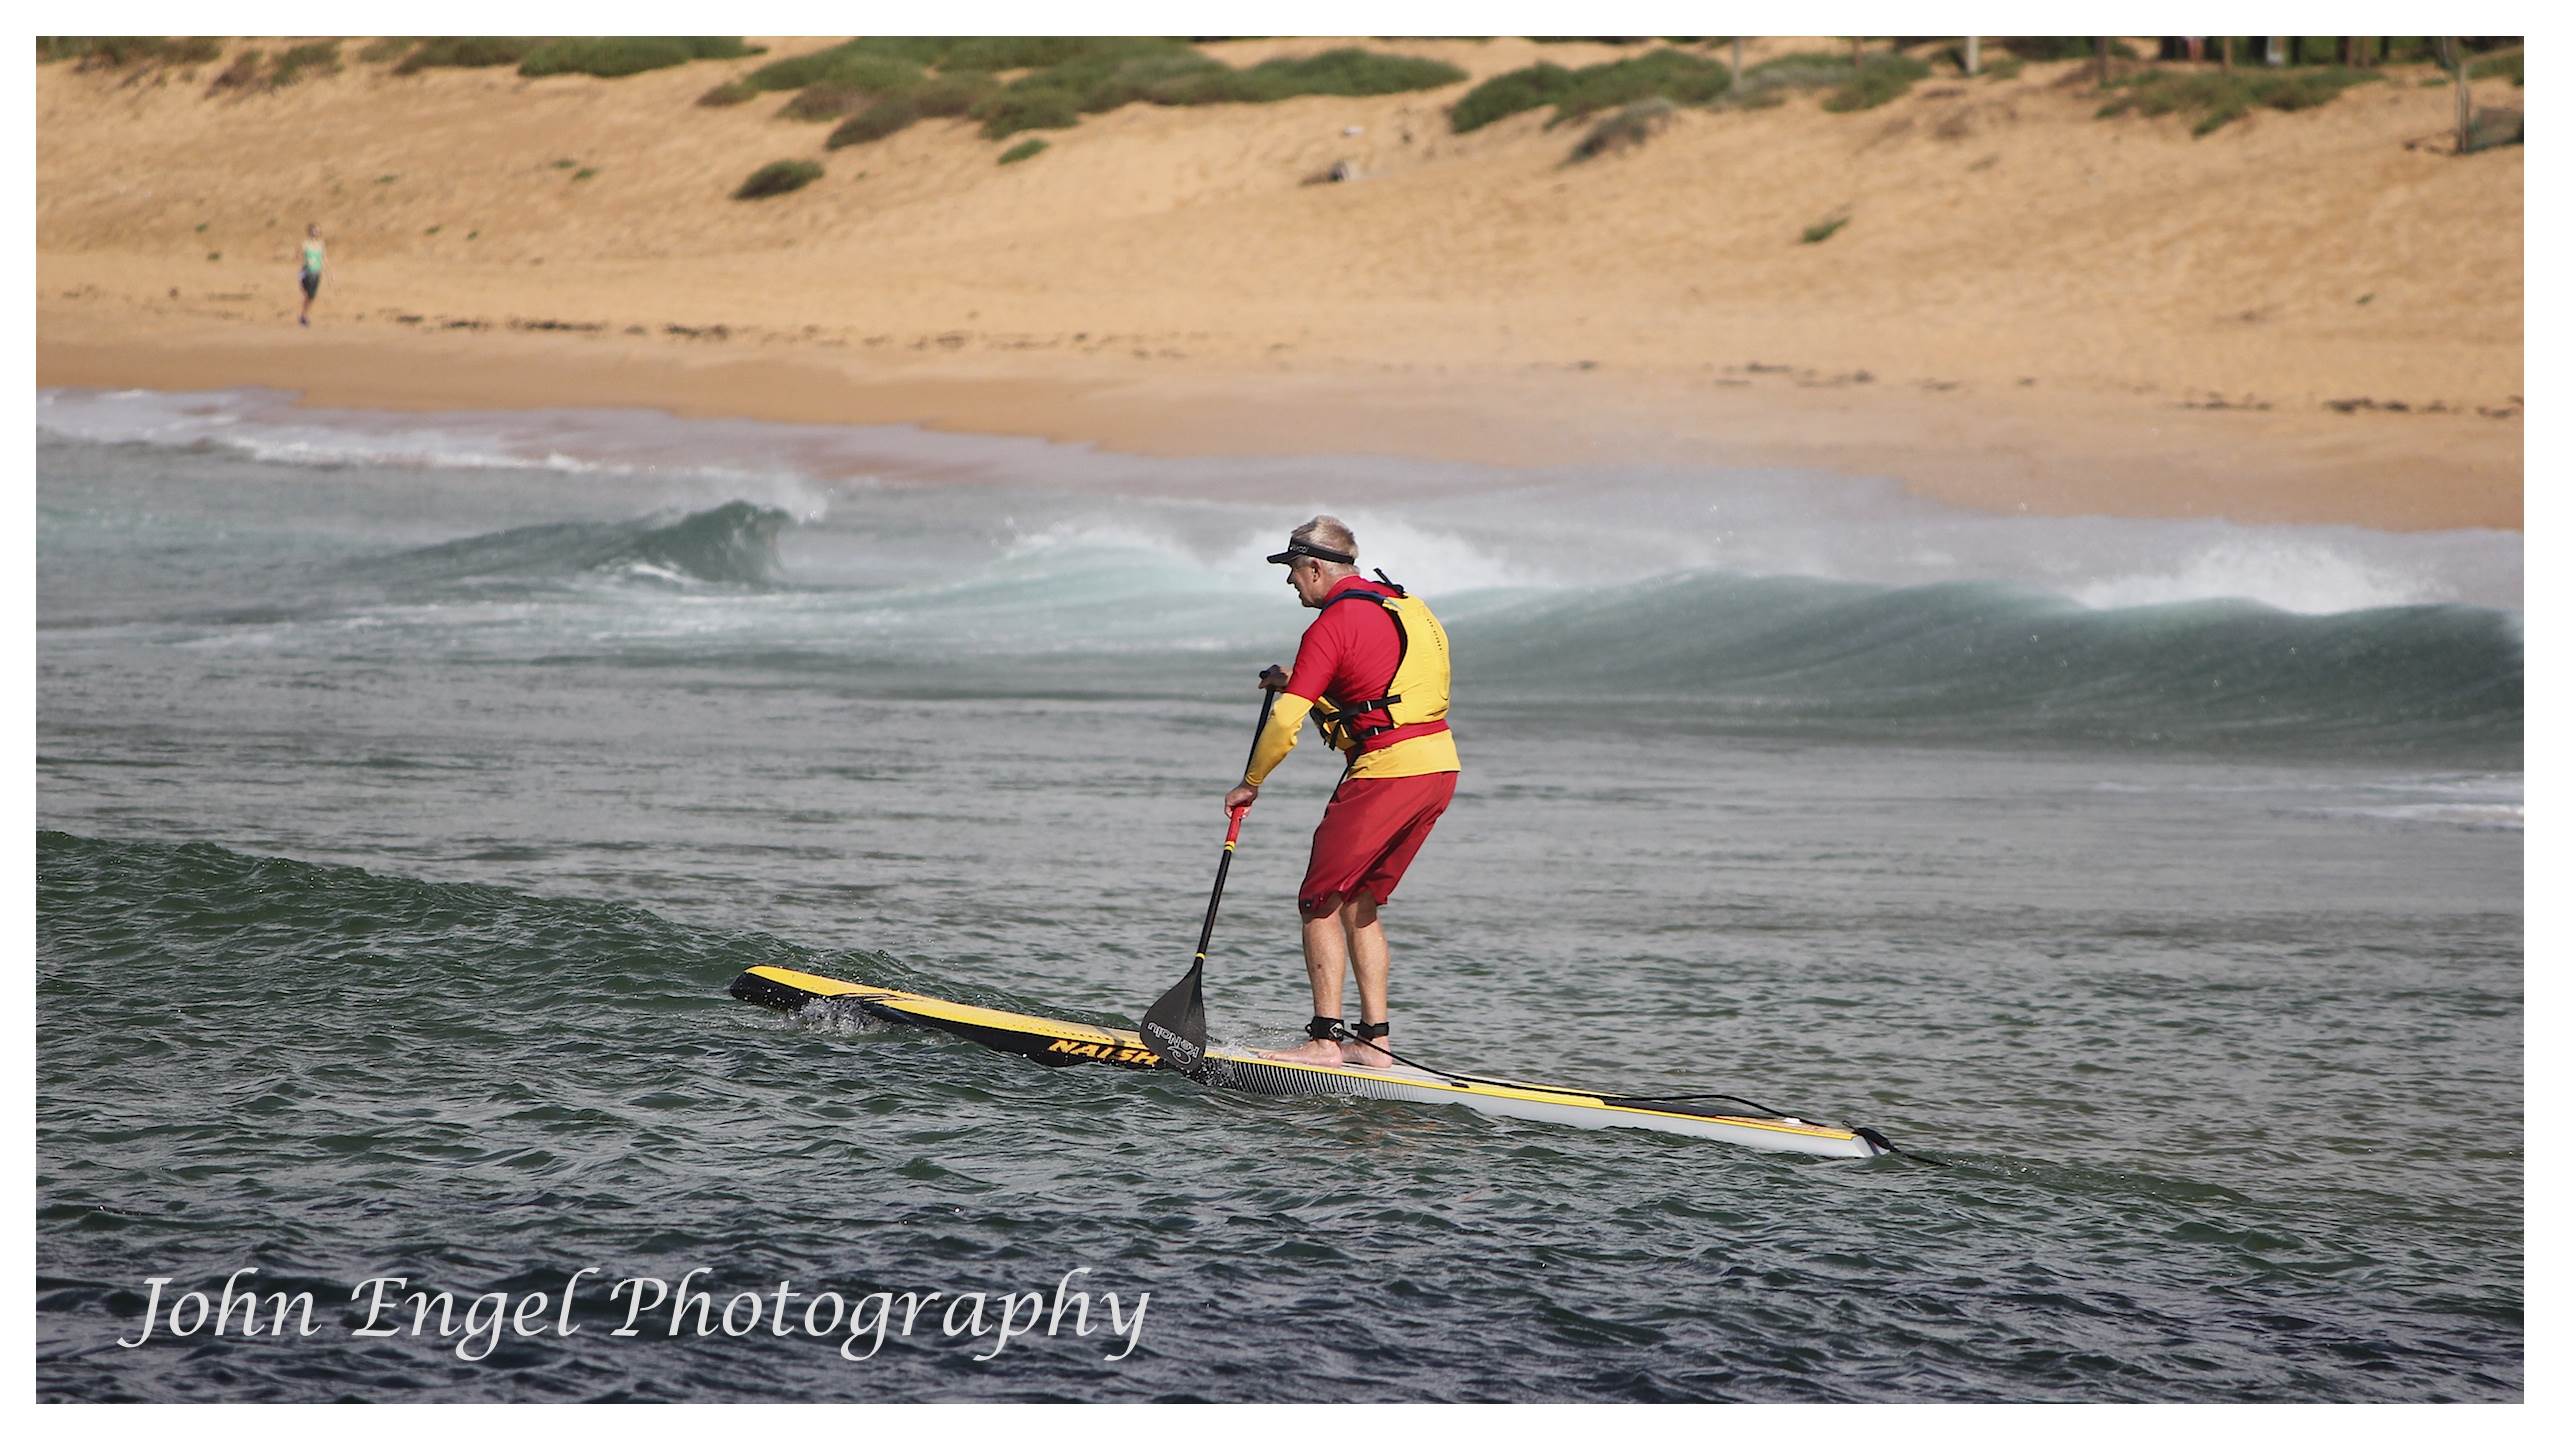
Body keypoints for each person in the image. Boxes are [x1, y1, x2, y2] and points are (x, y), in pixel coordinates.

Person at [1224, 516, 1459, 1068]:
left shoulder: (1331, 624)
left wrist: (1248, 785)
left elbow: (1285, 723)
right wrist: (1299, 677)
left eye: (1292, 570)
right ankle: (1375, 1044)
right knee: (1359, 901)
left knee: (1319, 898)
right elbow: (1381, 682)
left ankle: (1325, 1040)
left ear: (1314, 567)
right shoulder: (1404, 604)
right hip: (1438, 767)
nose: (1290, 582)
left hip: (1386, 772)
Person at [297, 224, 324, 327]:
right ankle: (304, 316)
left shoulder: (320, 244)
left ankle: (304, 316)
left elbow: (323, 259)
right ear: (310, 232)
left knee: (312, 296)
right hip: (307, 272)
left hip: (316, 272)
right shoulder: (305, 244)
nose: (315, 233)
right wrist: (306, 261)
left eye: (317, 231)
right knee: (307, 294)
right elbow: (298, 255)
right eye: (314, 231)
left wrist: (329, 273)